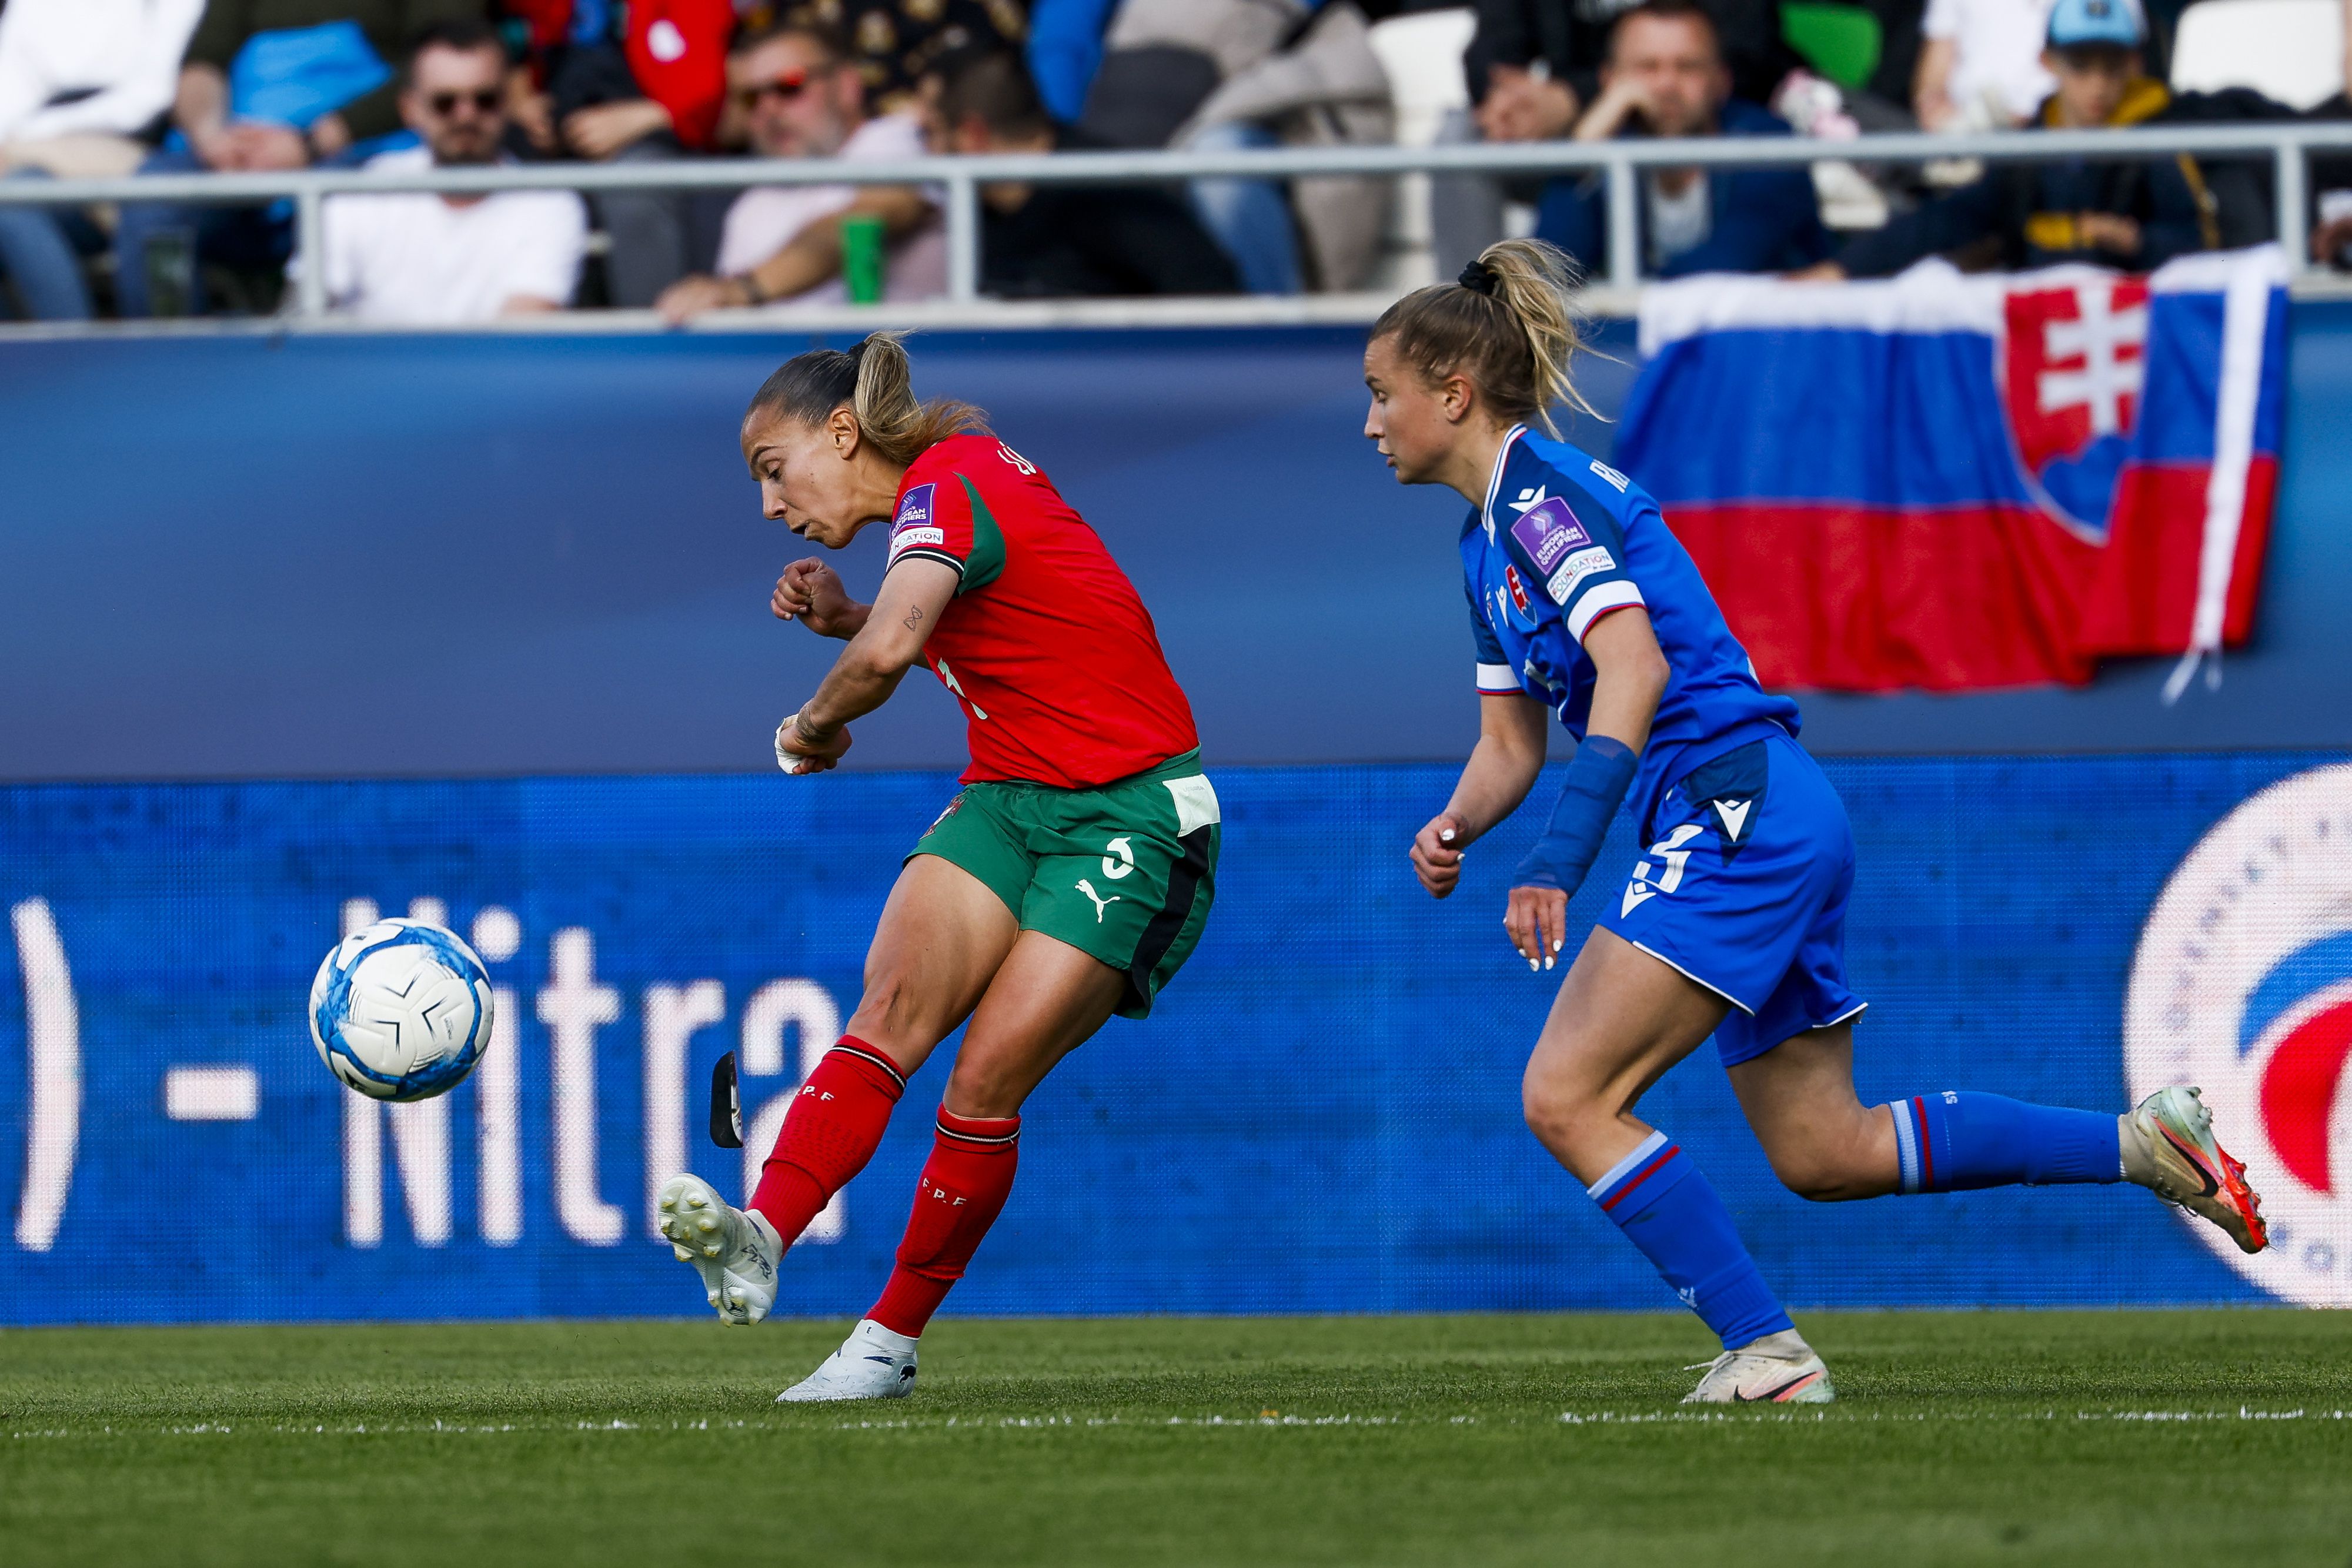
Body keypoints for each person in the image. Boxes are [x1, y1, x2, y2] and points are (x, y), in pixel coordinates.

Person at [1362, 237, 2269, 1403]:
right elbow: (1507, 745)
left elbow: (1628, 670)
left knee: (1565, 1093)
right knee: (1821, 1150)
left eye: (1383, 394)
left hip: (1730, 808)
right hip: (1759, 810)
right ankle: (2142, 1143)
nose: (1373, 422)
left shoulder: (1540, 503)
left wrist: (1553, 858)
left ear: (1452, 390)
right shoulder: (1482, 543)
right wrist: (1458, 823)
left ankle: (1767, 1353)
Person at [654, 332, 1221, 1402]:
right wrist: (851, 618)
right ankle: (761, 1232)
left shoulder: (950, 479)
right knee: (891, 1011)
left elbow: (889, 660)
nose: (773, 508)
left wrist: (806, 726)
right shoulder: (952, 484)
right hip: (1011, 798)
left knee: (983, 1076)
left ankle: (886, 1344)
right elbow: (966, 629)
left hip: (1135, 817)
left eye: (774, 472)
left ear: (839, 432)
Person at [1828, 0, 2274, 276]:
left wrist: (2139, 243)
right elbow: (1950, 219)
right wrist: (1842, 270)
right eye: (2081, 66)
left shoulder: (2157, 140)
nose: (2098, 86)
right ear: (2049, 63)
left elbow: (2208, 246)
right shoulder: (2033, 147)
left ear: (2135, 65)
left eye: (2111, 67)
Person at [113, 0, 484, 317]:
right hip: (237, 156)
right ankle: (173, 356)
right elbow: (202, 64)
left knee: (343, 211)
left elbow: (444, 70)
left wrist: (312, 143)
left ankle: (317, 368)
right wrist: (214, 140)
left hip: (360, 153)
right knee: (155, 201)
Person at [296, 21, 588, 323]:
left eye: (485, 100)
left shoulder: (549, 204)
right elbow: (304, 314)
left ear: (507, 104)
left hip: (493, 369)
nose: (466, 116)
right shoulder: (361, 193)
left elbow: (519, 340)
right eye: (445, 103)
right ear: (410, 109)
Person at [656, 22, 944, 322]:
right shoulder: (750, 207)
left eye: (789, 86)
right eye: (751, 98)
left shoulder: (892, 140)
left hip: (906, 362)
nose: (769, 109)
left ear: (847, 85)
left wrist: (744, 290)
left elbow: (871, 215)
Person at [1534, 1, 1831, 279]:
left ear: (1722, 80)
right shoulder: (1605, 148)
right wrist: (1584, 147)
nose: (1667, 85)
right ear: (1610, 81)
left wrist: (1630, 298)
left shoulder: (1769, 145)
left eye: (1687, 67)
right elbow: (1551, 273)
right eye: (1648, 67)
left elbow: (1729, 264)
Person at [932, 49, 1240, 297]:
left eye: (928, 133)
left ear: (973, 135)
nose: (923, 151)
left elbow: (1214, 297)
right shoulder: (972, 206)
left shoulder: (1111, 190)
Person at [0, 0, 205, 320]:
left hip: (138, 152)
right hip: (33, 157)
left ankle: (72, 351)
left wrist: (24, 140)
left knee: (11, 201)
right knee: (13, 201)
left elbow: (150, 97)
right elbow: (11, 87)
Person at [1913, 0, 2057, 131]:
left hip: (2054, 129)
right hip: (1968, 135)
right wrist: (1947, 121)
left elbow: (2075, 68)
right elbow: (1932, 85)